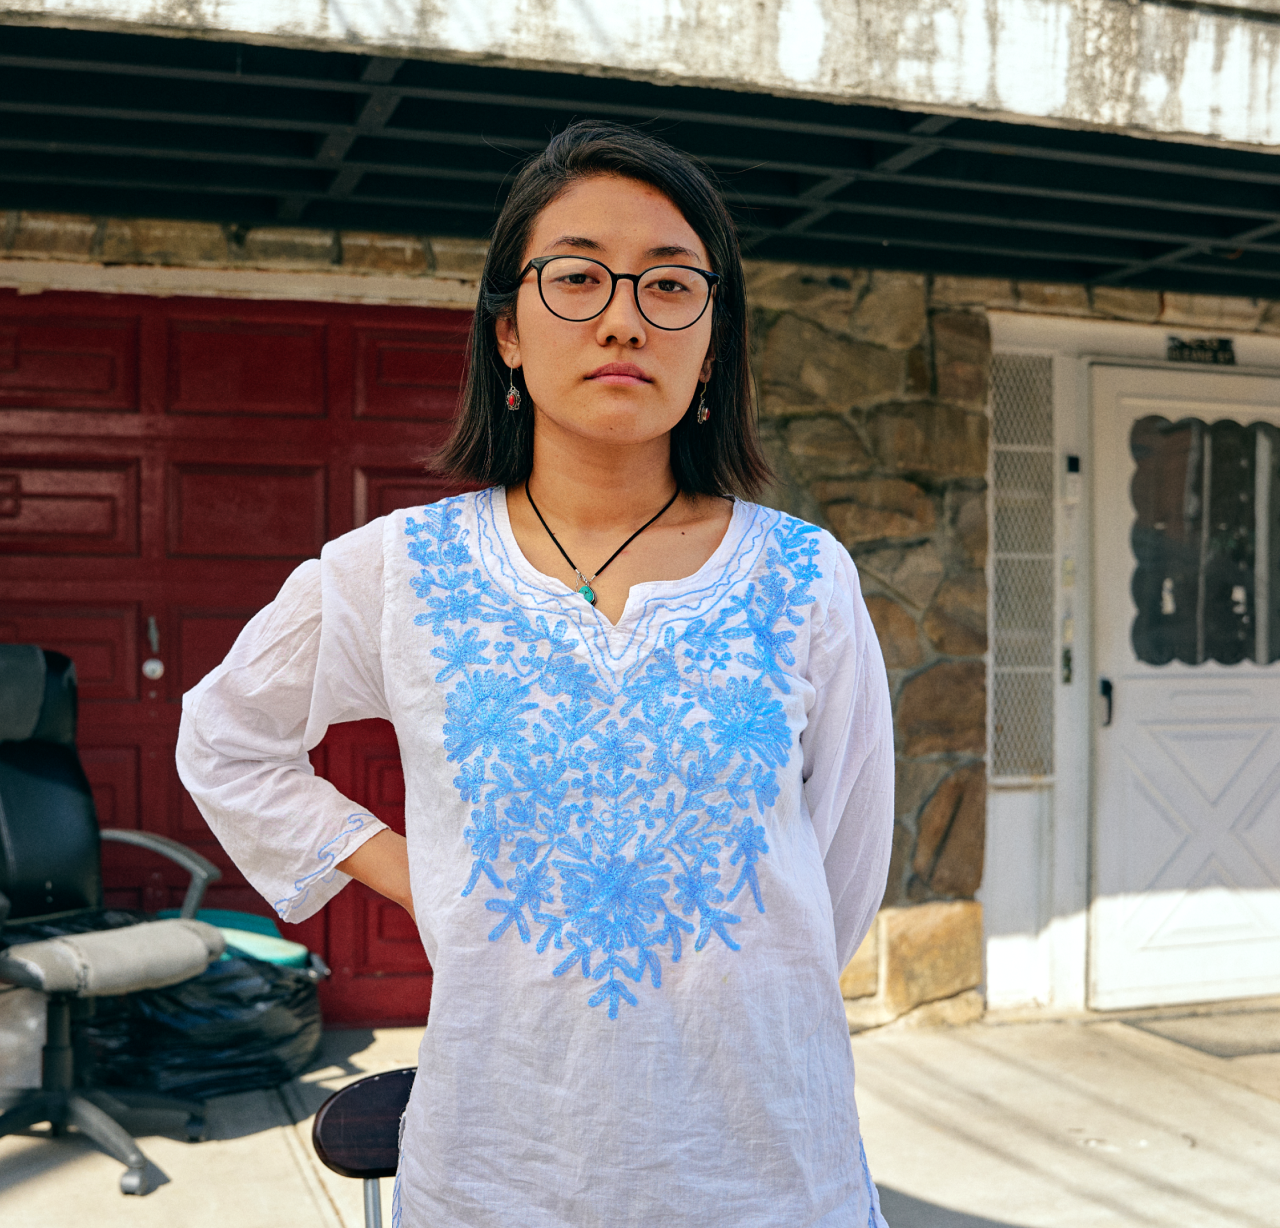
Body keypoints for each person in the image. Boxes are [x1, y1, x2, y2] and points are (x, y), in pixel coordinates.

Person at [177, 120, 895, 1228]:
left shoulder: (802, 574)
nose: (621, 316)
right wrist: (418, 874)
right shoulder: (396, 571)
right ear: (507, 331)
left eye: (668, 284)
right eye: (576, 277)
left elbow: (833, 882)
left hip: (769, 1170)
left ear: (713, 340)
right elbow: (225, 737)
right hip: (499, 1168)